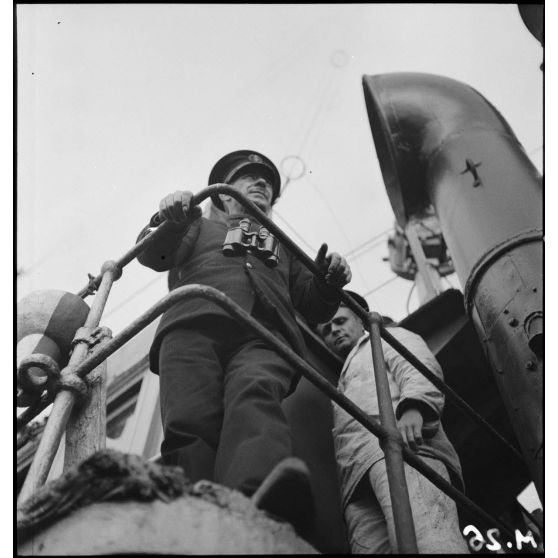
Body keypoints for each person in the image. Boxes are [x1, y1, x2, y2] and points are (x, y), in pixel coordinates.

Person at [136, 150, 351, 532]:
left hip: (263, 334)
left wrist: (329, 280)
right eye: (248, 177)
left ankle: (254, 498)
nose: (262, 185)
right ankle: (195, 516)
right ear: (221, 193)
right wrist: (169, 216)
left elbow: (312, 304)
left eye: (267, 182)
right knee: (190, 420)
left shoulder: (285, 246)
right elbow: (155, 253)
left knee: (257, 394)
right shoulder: (195, 223)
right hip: (193, 323)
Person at [317, 291, 469, 554]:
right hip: (358, 477)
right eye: (327, 329)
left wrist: (415, 407)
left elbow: (418, 365)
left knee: (430, 541)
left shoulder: (386, 337)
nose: (335, 331)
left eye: (340, 321)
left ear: (360, 321)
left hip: (405, 446)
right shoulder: (342, 377)